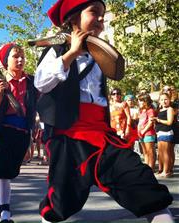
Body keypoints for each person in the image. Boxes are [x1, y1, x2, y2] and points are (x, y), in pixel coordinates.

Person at [34, 0, 173, 222]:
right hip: (69, 138)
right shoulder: (57, 50)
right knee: (61, 201)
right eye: (94, 12)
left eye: (103, 14)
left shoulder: (100, 53)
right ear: (73, 18)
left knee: (143, 186)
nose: (100, 18)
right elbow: (41, 83)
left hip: (103, 136)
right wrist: (71, 53)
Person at [0, 43, 37, 223]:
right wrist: (1, 92)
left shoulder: (31, 81)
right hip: (3, 131)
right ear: (5, 61)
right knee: (2, 170)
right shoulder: (1, 83)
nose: (20, 60)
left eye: (22, 57)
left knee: (12, 171)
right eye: (15, 57)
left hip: (23, 131)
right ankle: (5, 212)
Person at [151, 93, 175, 178]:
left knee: (166, 153)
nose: (164, 101)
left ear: (169, 100)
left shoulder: (170, 109)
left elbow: (169, 122)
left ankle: (166, 171)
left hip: (167, 132)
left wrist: (158, 120)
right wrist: (155, 121)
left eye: (165, 99)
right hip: (160, 133)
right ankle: (161, 170)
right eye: (161, 99)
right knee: (160, 153)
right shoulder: (160, 110)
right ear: (159, 101)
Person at [137, 93, 156, 171]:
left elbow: (150, 122)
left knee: (150, 152)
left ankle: (151, 168)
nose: (139, 102)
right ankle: (146, 167)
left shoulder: (150, 110)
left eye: (140, 101)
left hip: (148, 133)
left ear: (145, 101)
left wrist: (143, 131)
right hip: (141, 134)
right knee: (145, 152)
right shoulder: (141, 111)